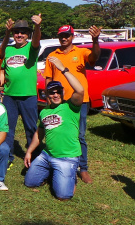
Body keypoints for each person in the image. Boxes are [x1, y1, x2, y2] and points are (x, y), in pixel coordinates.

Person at [43, 24, 101, 184]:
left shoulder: (81, 52)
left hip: (79, 101)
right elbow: (48, 78)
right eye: (61, 35)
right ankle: (56, 164)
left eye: (67, 35)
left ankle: (83, 169)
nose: (64, 38)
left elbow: (94, 57)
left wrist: (95, 40)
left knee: (79, 135)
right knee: (56, 132)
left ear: (72, 36)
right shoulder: (52, 56)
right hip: (58, 101)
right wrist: (48, 97)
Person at [24, 56, 84, 200]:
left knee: (63, 196)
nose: (55, 94)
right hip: (47, 155)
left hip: (66, 158)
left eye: (58, 91)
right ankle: (53, 172)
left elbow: (80, 90)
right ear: (47, 95)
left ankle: (71, 175)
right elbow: (39, 135)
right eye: (52, 92)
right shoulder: (44, 111)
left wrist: (64, 69)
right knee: (29, 183)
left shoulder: (71, 106)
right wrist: (29, 152)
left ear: (62, 93)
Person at [1, 15, 42, 168]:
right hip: (10, 95)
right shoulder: (9, 49)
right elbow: (2, 64)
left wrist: (37, 26)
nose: (19, 35)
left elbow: (37, 39)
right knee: (8, 128)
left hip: (28, 95)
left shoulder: (31, 48)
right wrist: (6, 33)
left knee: (31, 128)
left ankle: (36, 158)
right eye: (16, 32)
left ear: (28, 35)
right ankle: (7, 157)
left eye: (23, 32)